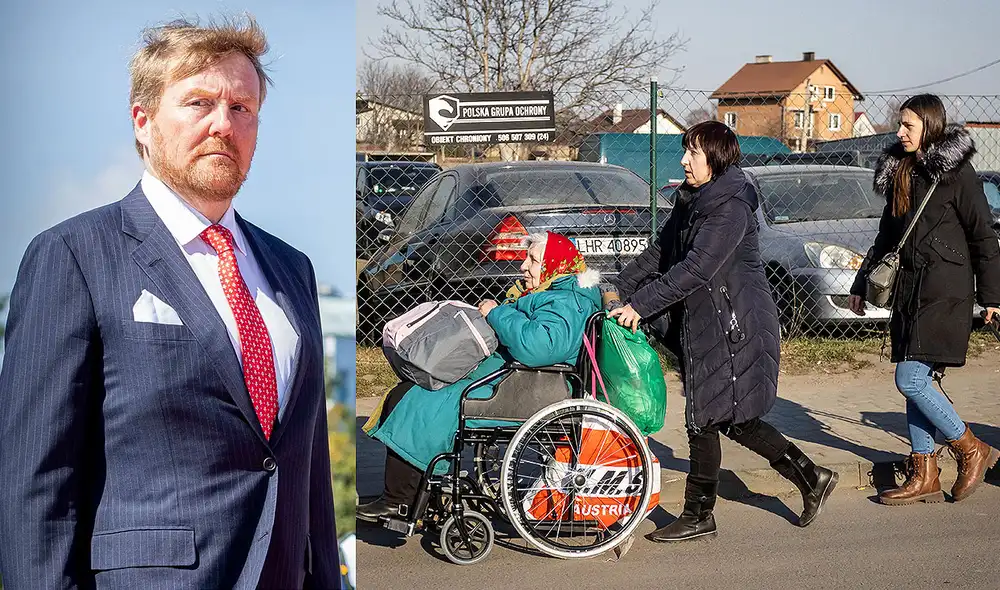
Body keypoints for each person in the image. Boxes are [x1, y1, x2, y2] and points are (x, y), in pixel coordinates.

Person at [0, 17, 341, 589]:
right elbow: (34, 481)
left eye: (241, 108)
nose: (222, 124)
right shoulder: (73, 255)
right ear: (143, 121)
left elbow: (309, 472)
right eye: (198, 102)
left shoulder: (291, 270)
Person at [605, 121, 838, 542]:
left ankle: (699, 513)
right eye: (684, 151)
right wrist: (617, 288)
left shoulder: (730, 207)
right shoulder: (692, 198)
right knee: (732, 419)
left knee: (704, 417)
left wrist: (640, 305)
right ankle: (812, 476)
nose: (683, 160)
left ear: (715, 158)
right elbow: (663, 252)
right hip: (710, 321)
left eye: (692, 153)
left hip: (737, 324)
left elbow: (697, 268)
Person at [358, 232, 601, 521]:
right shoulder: (558, 295)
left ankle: (400, 501)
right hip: (512, 380)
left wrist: (497, 313)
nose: (524, 266)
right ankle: (408, 494)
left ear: (554, 266)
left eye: (533, 260)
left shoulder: (567, 302)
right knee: (410, 391)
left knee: (422, 400)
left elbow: (539, 347)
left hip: (524, 389)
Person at [848, 94, 1000, 505]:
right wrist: (862, 282)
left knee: (910, 378)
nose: (899, 132)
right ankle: (925, 472)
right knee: (917, 381)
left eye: (908, 126)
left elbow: (983, 235)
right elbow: (887, 236)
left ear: (930, 127)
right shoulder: (900, 169)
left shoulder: (957, 173)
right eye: (900, 125)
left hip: (946, 290)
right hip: (909, 290)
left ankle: (971, 448)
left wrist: (991, 296)